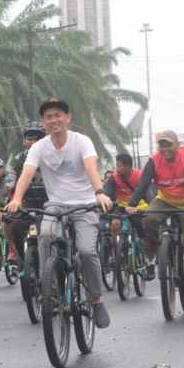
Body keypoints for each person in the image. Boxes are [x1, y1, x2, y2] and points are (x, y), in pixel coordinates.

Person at [6, 98, 113, 329]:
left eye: (58, 115)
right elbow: (26, 173)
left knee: (86, 251)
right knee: (45, 235)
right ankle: (50, 288)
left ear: (67, 118)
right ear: (43, 122)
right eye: (48, 117)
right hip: (55, 205)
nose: (54, 120)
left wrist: (99, 193)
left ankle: (96, 300)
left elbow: (91, 167)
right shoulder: (39, 147)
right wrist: (16, 199)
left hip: (85, 205)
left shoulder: (82, 141)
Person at [126, 130, 184, 304]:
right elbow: (143, 183)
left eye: (169, 145)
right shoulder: (154, 160)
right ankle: (155, 250)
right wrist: (132, 204)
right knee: (149, 218)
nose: (165, 149)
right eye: (161, 145)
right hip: (165, 200)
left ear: (177, 145)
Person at [5, 122, 49, 262]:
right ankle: (22, 259)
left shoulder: (53, 156)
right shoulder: (18, 160)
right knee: (13, 225)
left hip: (51, 203)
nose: (33, 142)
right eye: (30, 139)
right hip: (27, 203)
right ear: (24, 141)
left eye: (38, 138)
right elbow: (8, 183)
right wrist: (1, 206)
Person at [103, 153, 152, 240]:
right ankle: (114, 245)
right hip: (121, 206)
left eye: (119, 166)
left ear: (128, 166)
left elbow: (148, 193)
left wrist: (150, 206)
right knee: (114, 223)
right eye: (116, 166)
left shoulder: (140, 176)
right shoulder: (114, 177)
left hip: (137, 207)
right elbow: (107, 191)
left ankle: (143, 242)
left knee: (139, 225)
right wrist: (105, 200)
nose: (117, 169)